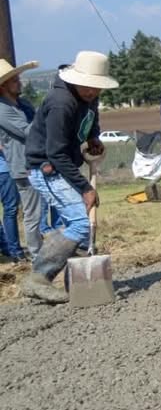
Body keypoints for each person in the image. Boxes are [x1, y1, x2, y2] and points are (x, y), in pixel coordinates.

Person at [19, 51, 117, 303]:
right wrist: (85, 188)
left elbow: (91, 119)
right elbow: (55, 152)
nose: (94, 93)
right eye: (90, 87)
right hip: (46, 168)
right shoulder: (61, 102)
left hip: (63, 165)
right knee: (81, 223)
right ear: (77, 79)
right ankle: (38, 277)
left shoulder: (89, 94)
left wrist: (93, 137)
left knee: (80, 225)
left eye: (98, 88)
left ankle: (76, 286)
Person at [0, 58, 43, 260]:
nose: (20, 82)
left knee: (43, 210)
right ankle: (37, 256)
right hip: (23, 166)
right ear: (3, 86)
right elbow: (28, 131)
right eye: (14, 80)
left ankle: (49, 249)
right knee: (32, 214)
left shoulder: (23, 104)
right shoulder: (2, 109)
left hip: (38, 161)